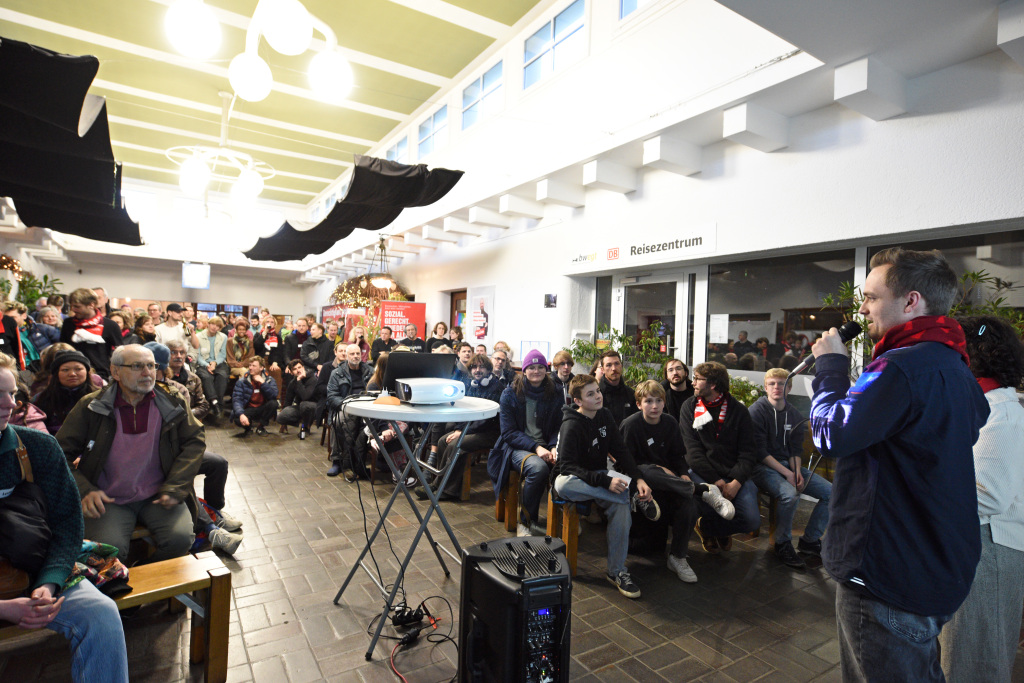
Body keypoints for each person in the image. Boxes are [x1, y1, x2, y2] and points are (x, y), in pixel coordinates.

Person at [809, 247, 989, 682]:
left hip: (887, 573)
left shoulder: (900, 369)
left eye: (871, 297)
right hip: (933, 563)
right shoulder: (954, 364)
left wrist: (830, 367)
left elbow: (831, 433)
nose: (863, 308)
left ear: (911, 301)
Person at [0, 354, 130, 683]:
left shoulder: (37, 446)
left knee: (100, 614)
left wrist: (50, 581)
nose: (8, 405)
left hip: (36, 569)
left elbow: (68, 523)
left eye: (13, 394)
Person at [56, 344, 205, 562]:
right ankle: (122, 585)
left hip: (158, 494)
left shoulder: (170, 400)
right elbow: (59, 453)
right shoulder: (92, 406)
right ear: (115, 372)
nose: (147, 373)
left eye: (151, 366)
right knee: (110, 553)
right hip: (108, 498)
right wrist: (85, 489)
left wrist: (176, 485)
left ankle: (146, 585)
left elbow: (195, 441)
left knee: (180, 539)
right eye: (137, 366)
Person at [938, 315, 1024, 683]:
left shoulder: (1002, 413)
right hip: (973, 545)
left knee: (974, 661)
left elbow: (986, 496)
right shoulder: (981, 404)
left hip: (991, 551)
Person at [552, 374, 659, 599]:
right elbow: (567, 466)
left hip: (601, 477)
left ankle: (617, 572)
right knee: (562, 483)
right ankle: (630, 496)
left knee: (619, 505)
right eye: (590, 394)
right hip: (577, 480)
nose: (598, 396)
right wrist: (606, 482)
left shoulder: (605, 416)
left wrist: (638, 478)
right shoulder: (571, 424)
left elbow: (620, 451)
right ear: (578, 401)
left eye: (598, 391)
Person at [621, 380, 734, 583]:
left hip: (671, 482)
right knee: (648, 471)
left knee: (688, 505)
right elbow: (626, 464)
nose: (654, 406)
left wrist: (682, 473)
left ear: (664, 403)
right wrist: (646, 475)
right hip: (642, 483)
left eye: (658, 401)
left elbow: (678, 457)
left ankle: (678, 557)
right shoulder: (631, 425)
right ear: (639, 404)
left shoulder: (670, 422)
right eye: (648, 401)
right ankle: (701, 490)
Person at [748, 368, 832, 569]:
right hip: (762, 467)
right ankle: (782, 543)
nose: (777, 387)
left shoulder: (794, 414)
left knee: (832, 493)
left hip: (789, 465)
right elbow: (759, 452)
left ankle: (810, 540)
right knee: (790, 494)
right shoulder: (756, 411)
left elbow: (796, 449)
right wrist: (788, 474)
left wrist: (795, 472)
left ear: (789, 388)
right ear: (766, 387)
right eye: (772, 384)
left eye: (781, 384)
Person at [680, 361, 761, 553]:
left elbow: (748, 452)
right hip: (702, 472)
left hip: (734, 475)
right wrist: (716, 481)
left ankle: (708, 528)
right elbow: (692, 452)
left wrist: (736, 482)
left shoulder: (739, 411)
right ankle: (718, 530)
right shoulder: (689, 407)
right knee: (711, 503)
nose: (693, 383)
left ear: (713, 384)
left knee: (752, 520)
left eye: (698, 379)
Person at [486, 350, 563, 537]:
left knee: (568, 466)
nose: (536, 371)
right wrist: (536, 447)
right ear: (524, 370)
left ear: (546, 369)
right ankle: (526, 522)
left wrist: (553, 446)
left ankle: (565, 520)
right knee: (538, 469)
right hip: (516, 447)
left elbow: (559, 425)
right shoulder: (510, 393)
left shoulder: (555, 392)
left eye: (540, 367)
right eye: (531, 367)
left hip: (547, 444)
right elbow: (508, 433)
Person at [418, 354, 503, 501]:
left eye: (481, 367)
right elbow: (463, 411)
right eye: (474, 367)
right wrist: (459, 429)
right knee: (442, 441)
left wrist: (463, 432)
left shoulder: (497, 388)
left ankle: (446, 490)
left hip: (490, 432)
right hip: (473, 430)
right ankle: (439, 484)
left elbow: (487, 420)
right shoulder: (470, 385)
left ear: (489, 369)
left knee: (454, 445)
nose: (477, 370)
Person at [325, 344, 373, 477]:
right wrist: (347, 404)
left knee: (373, 424)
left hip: (366, 407)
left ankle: (365, 462)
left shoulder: (369, 371)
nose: (355, 356)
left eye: (357, 353)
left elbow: (375, 390)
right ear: (346, 356)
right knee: (337, 421)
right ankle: (337, 461)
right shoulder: (337, 373)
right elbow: (332, 396)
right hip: (345, 406)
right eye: (352, 354)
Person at [59, 288, 122, 381]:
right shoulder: (68, 324)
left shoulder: (110, 326)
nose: (73, 310)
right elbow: (62, 348)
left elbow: (120, 352)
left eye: (77, 306)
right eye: (71, 306)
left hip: (100, 376)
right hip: (73, 375)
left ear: (91, 305)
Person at [32, 351, 97, 435]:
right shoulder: (41, 399)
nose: (72, 374)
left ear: (87, 372)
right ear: (56, 374)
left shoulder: (100, 396)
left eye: (78, 369)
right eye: (65, 370)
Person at [230, 357, 279, 437]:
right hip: (249, 408)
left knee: (274, 403)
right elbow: (236, 400)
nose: (250, 368)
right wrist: (241, 414)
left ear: (261, 368)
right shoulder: (242, 381)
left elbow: (273, 395)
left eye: (254, 366)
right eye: (249, 365)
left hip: (262, 408)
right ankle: (248, 428)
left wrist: (263, 383)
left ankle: (261, 427)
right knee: (236, 415)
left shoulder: (269, 380)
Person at [165, 339, 210, 422]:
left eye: (181, 353)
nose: (178, 356)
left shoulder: (194, 378)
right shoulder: (162, 378)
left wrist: (187, 414)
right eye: (173, 352)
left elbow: (203, 405)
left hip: (188, 421)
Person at [195, 315, 229, 417]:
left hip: (218, 363)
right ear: (208, 324)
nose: (215, 327)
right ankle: (215, 402)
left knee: (222, 376)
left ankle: (218, 403)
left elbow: (223, 354)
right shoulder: (198, 336)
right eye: (213, 324)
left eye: (218, 326)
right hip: (203, 363)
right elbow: (198, 355)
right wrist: (207, 365)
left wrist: (215, 363)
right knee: (206, 377)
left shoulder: (223, 337)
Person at [278, 359, 318, 440]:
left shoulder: (312, 379)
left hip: (315, 406)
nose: (298, 370)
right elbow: (288, 400)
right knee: (281, 417)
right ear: (291, 372)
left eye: (299, 367)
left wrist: (299, 380)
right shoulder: (293, 383)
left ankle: (306, 427)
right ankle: (303, 420)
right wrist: (284, 422)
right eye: (295, 369)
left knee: (305, 405)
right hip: (302, 407)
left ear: (303, 368)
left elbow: (305, 396)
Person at [597, 350, 637, 426]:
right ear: (602, 370)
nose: (614, 368)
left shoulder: (631, 394)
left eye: (616, 363)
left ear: (621, 366)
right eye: (609, 365)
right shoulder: (597, 394)